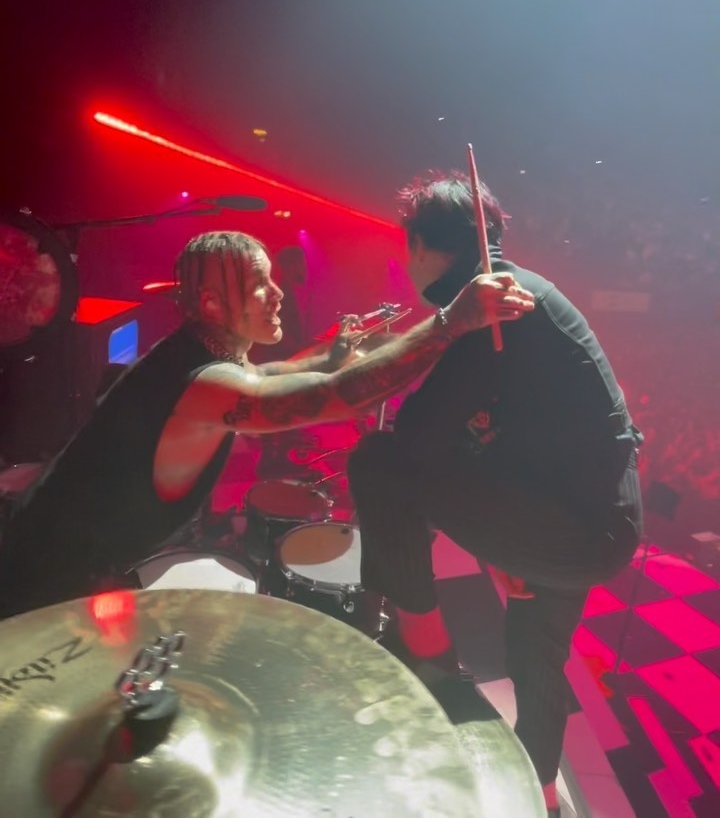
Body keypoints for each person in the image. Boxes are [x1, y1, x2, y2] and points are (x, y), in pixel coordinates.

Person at [0, 229, 534, 621]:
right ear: (211, 302)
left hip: (54, 556)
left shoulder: (198, 351)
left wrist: (339, 350)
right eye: (260, 285)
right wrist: (451, 322)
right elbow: (335, 397)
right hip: (42, 587)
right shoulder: (205, 384)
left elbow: (283, 372)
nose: (277, 294)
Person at [346, 173, 643, 817]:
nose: (405, 262)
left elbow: (420, 440)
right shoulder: (527, 290)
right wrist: (513, 542)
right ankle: (541, 795)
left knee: (379, 461)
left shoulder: (491, 308)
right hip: (596, 515)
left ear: (426, 246)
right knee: (534, 652)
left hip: (568, 520)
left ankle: (422, 645)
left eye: (408, 247)